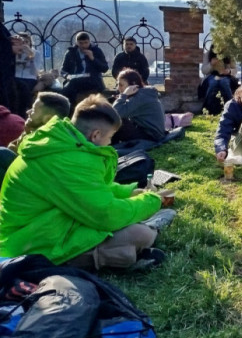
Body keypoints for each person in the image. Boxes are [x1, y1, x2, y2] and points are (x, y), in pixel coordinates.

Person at [0, 95, 168, 271]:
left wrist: (130, 192)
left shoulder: (60, 142)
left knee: (132, 221)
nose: (110, 143)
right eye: (110, 137)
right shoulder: (69, 159)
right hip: (31, 245)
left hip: (42, 228)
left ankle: (138, 237)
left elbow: (91, 188)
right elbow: (106, 214)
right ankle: (119, 253)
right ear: (95, 135)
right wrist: (152, 201)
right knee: (139, 234)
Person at [112, 68, 166, 143]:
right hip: (152, 133)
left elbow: (115, 113)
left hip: (151, 136)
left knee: (117, 121)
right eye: (117, 84)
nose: (118, 88)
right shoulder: (142, 93)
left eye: (121, 85)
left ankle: (108, 145)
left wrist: (124, 95)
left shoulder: (140, 97)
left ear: (133, 84)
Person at [60, 32, 109, 105]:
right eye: (81, 43)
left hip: (92, 79)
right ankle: (68, 109)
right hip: (75, 79)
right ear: (77, 43)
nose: (83, 45)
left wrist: (93, 58)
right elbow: (63, 70)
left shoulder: (96, 51)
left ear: (89, 41)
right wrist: (67, 76)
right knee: (66, 90)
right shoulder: (71, 53)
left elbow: (105, 68)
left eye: (86, 43)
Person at [201, 48, 238, 113]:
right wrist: (211, 64)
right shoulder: (208, 54)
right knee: (213, 82)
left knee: (224, 82)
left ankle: (232, 106)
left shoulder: (228, 54)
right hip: (212, 75)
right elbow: (204, 71)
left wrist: (229, 71)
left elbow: (235, 69)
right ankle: (206, 107)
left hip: (226, 76)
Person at [14, 32, 41, 117]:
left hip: (29, 78)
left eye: (26, 42)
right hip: (15, 77)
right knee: (18, 88)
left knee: (24, 87)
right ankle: (26, 108)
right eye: (22, 42)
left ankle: (25, 109)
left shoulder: (36, 53)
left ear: (30, 43)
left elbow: (35, 73)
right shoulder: (13, 52)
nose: (24, 44)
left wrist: (31, 58)